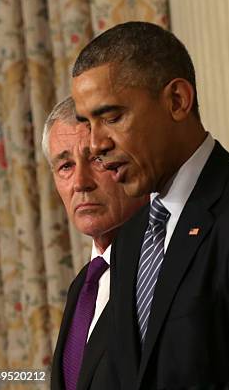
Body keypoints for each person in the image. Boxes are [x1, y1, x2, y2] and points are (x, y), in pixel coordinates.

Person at [71, 22, 229, 389]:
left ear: (177, 101)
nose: (96, 144)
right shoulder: (130, 240)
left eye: (112, 117)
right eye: (87, 123)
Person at [46, 97, 147, 390]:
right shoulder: (83, 286)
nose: (81, 182)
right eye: (65, 165)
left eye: (95, 159)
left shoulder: (162, 266)